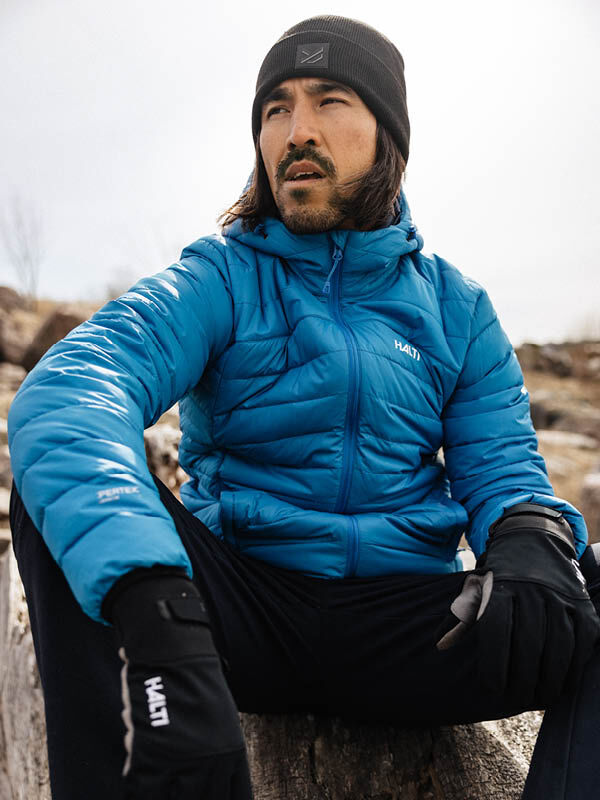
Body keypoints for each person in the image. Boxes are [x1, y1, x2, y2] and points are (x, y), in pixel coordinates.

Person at [7, 14, 600, 800]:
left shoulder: (458, 308)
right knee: (55, 504)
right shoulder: (219, 277)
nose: (296, 131)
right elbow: (71, 389)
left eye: (329, 101)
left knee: (577, 586)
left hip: (409, 626)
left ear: (387, 132)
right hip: (237, 612)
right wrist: (156, 603)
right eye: (275, 109)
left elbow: (502, 466)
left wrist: (527, 531)